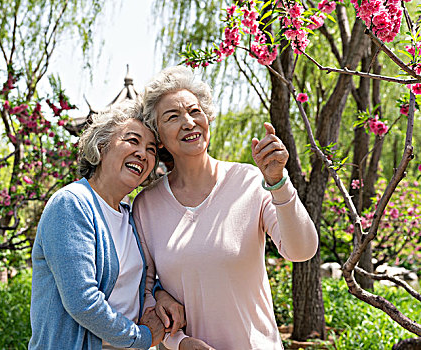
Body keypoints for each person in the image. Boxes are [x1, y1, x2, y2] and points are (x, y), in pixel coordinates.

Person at [132, 66, 319, 350]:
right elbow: (143, 291)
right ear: (157, 137)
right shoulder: (147, 204)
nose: (188, 122)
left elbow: (301, 250)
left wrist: (279, 182)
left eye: (195, 111)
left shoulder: (250, 181)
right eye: (172, 117)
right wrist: (180, 342)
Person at [29, 102, 184, 350]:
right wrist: (141, 338)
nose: (143, 154)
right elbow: (83, 301)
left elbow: (138, 281)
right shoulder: (71, 205)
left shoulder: (130, 215)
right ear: (101, 145)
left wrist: (159, 294)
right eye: (133, 140)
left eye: (151, 149)